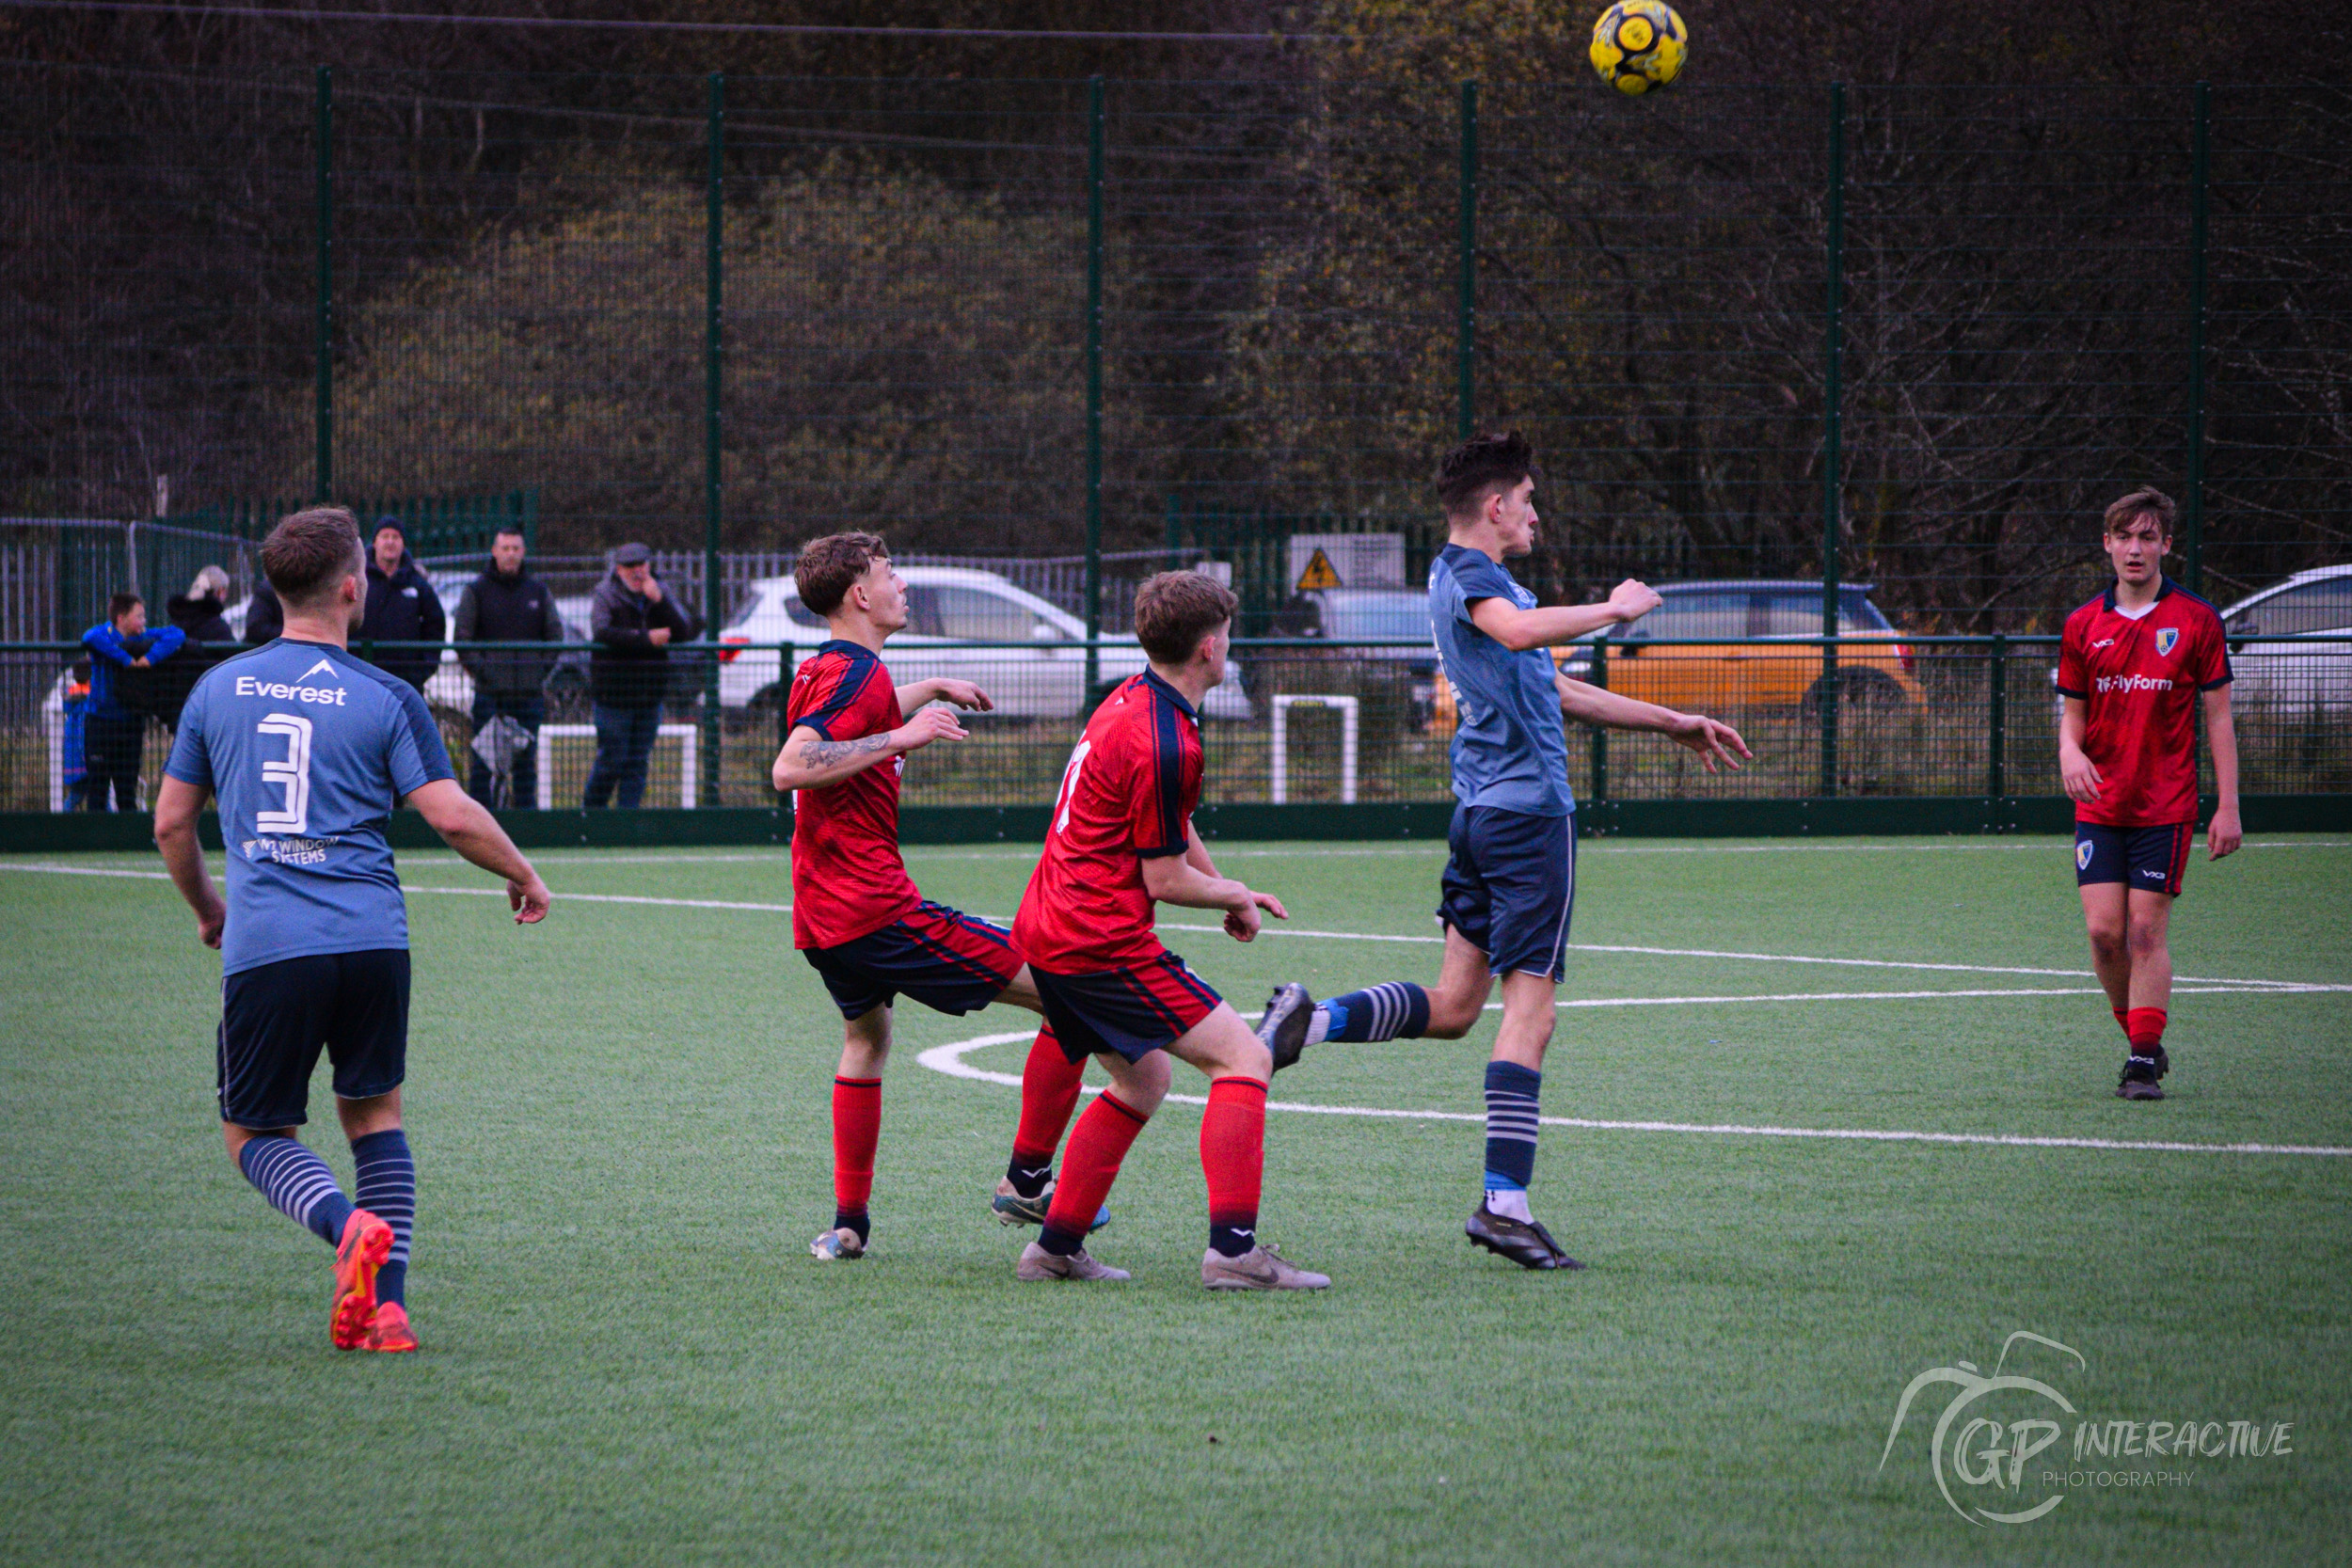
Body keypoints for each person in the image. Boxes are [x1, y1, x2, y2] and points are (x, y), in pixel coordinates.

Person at [1255, 432, 1750, 1271]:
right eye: (1526, 500)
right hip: (1527, 824)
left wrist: (1672, 721)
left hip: (1481, 817)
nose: (1534, 515)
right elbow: (1520, 635)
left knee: (1455, 1006)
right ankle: (1505, 1207)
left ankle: (1314, 1018)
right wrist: (1613, 608)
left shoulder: (1464, 579)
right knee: (1532, 1013)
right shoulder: (1479, 583)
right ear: (1495, 506)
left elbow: (1551, 684)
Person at [151, 505, 553, 1354]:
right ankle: (388, 1311)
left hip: (270, 945)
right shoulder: (386, 695)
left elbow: (171, 824)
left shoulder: (218, 687)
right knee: (375, 1118)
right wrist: (521, 872)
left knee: (255, 1134)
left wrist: (209, 909)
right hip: (374, 940)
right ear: (349, 587)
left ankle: (346, 1229)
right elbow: (451, 814)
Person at [771, 531, 1101, 1261]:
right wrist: (905, 735)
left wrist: (930, 688)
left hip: (823, 919)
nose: (903, 586)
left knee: (866, 1041)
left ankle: (849, 1225)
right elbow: (792, 764)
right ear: (860, 594)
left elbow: (857, 714)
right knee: (1068, 989)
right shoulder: (856, 674)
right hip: (876, 912)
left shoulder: (831, 666)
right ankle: (1027, 1179)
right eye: (891, 574)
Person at [1006, 570, 1328, 1291]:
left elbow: (1169, 826)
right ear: (1209, 647)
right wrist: (1235, 892)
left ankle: (1052, 1249)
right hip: (1096, 942)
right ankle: (1234, 1254)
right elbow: (1163, 878)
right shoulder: (1167, 741)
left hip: (1049, 930)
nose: (1230, 648)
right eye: (1228, 637)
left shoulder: (1131, 698)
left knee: (1144, 1078)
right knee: (1244, 1058)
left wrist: (1224, 888)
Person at [2056, 488, 2239, 1101]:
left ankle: (2139, 1062)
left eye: (2147, 537)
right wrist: (2069, 753)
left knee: (2143, 930)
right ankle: (2144, 1039)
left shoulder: (2196, 620)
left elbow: (2218, 717)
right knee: (2104, 935)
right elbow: (2072, 717)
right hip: (2099, 804)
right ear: (2107, 544)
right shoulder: (2083, 624)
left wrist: (2229, 806)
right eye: (2125, 537)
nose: (2136, 548)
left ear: (2166, 545)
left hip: (2165, 805)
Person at [454, 528, 564, 809]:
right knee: (483, 767)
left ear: (523, 552)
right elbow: (462, 639)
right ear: (494, 551)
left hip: (529, 697)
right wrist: (485, 673)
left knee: (526, 769)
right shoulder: (476, 590)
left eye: (516, 548)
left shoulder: (538, 591)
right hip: (489, 697)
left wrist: (537, 673)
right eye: (505, 548)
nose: (510, 554)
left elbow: (555, 636)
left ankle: (525, 826)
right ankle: (480, 826)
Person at [585, 542, 701, 809]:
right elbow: (602, 632)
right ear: (618, 569)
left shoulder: (659, 590)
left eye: (641, 564)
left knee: (637, 762)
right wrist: (645, 638)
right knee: (611, 760)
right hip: (613, 695)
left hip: (649, 694)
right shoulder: (606, 594)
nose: (637, 571)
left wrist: (660, 602)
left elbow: (683, 631)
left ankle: (628, 819)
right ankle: (591, 814)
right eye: (630, 566)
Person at [78, 592, 186, 811]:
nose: (143, 621)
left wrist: (150, 657)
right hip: (100, 723)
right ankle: (97, 832)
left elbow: (177, 634)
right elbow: (88, 637)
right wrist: (126, 659)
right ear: (121, 618)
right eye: (139, 616)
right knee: (97, 788)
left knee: (127, 789)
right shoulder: (103, 635)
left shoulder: (142, 635)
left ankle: (126, 831)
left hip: (130, 724)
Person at [359, 517, 447, 694]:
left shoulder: (418, 584)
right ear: (375, 542)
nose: (390, 542)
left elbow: (435, 625)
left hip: (406, 685)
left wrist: (422, 670)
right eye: (385, 536)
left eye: (396, 537)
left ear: (403, 544)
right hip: (362, 682)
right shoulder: (359, 580)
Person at [154, 564, 242, 729]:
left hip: (175, 703)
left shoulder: (177, 621)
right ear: (220, 592)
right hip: (207, 706)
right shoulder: (218, 627)